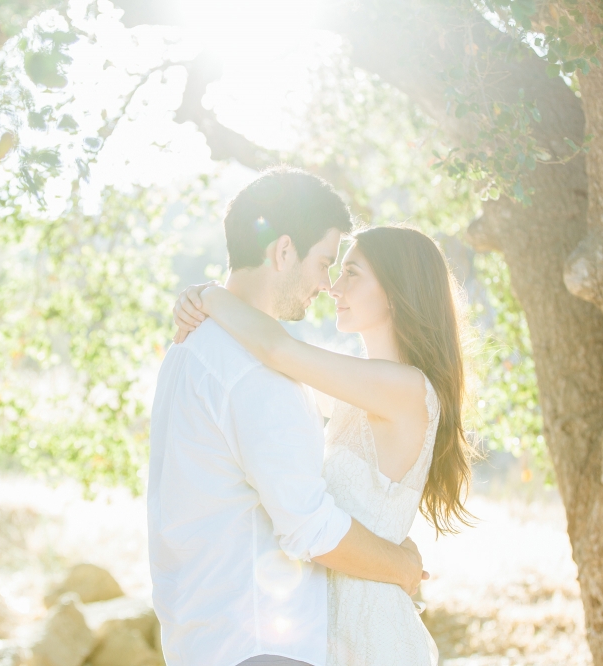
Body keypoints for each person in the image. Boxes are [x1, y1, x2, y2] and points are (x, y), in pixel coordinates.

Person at [148, 166, 428, 666]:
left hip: (201, 639)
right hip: (260, 646)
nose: (327, 284)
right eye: (325, 262)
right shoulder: (256, 371)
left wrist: (208, 294)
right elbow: (309, 529)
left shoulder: (189, 347)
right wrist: (404, 567)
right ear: (282, 252)